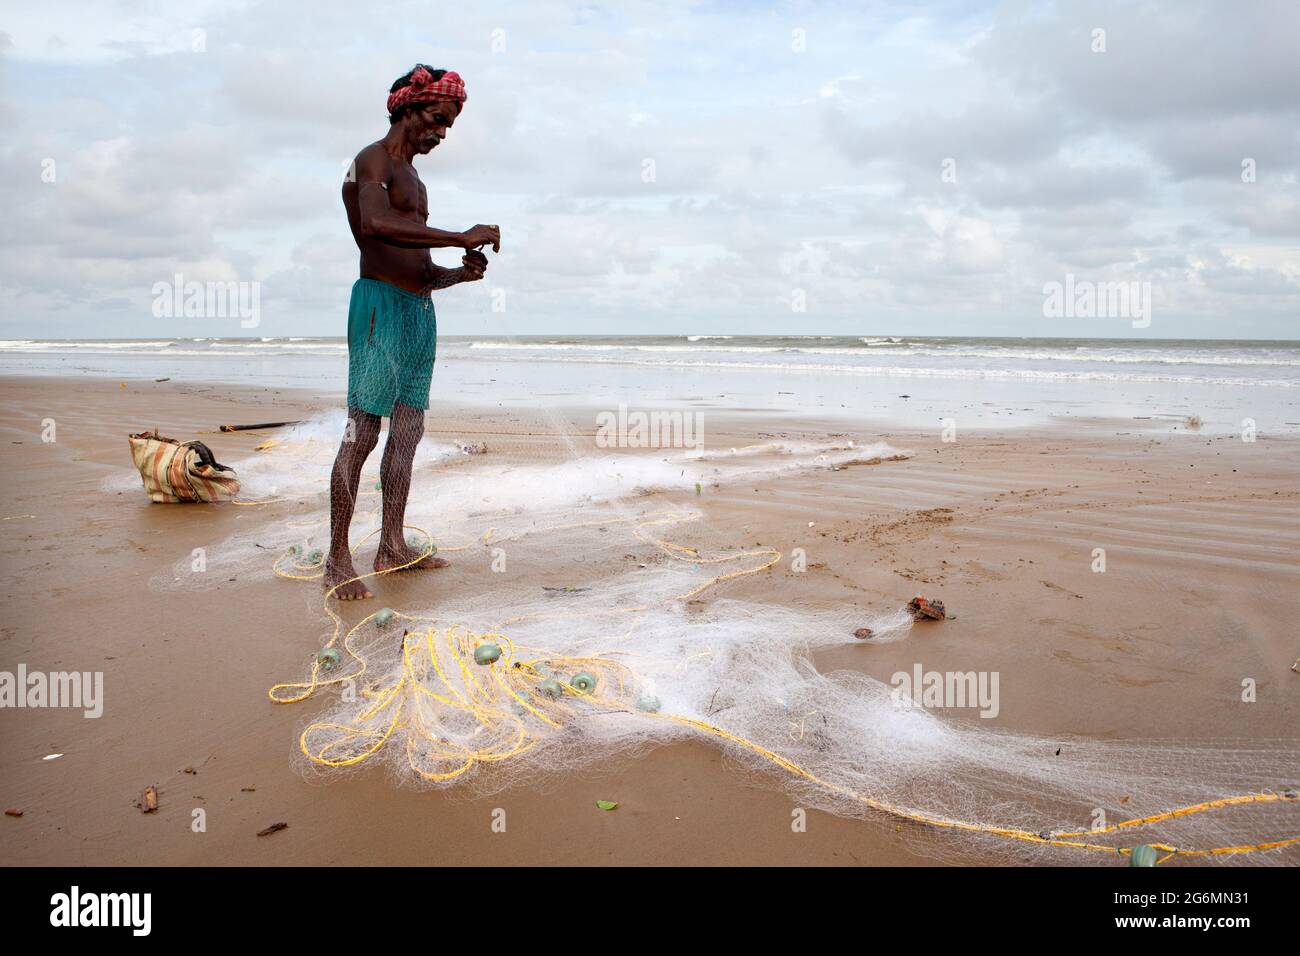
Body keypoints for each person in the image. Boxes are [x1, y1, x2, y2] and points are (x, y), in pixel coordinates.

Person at [326, 65, 501, 600]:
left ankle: (392, 546)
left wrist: (457, 274)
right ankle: (336, 560)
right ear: (406, 107)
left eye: (448, 126)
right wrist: (458, 236)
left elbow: (420, 269)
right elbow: (375, 227)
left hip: (417, 311)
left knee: (406, 434)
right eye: (435, 119)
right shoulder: (370, 161)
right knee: (363, 434)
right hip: (378, 306)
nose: (441, 133)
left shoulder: (417, 180)